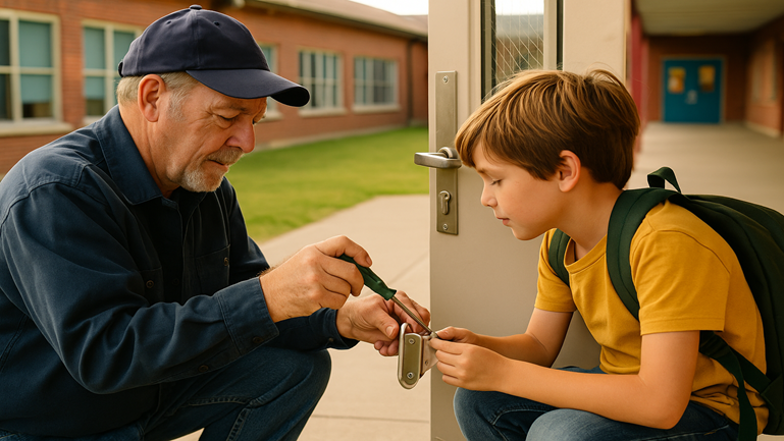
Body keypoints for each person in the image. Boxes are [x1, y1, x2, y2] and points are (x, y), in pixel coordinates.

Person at [0, 6, 429, 441]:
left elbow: (243, 302)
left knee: (293, 369)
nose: (248, 142)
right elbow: (106, 355)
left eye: (255, 120)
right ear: (152, 98)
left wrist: (338, 319)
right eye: (227, 117)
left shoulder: (202, 184)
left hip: (148, 398)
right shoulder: (56, 190)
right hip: (49, 424)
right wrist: (269, 295)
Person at [428, 69, 767, 440]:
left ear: (565, 171)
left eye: (496, 179)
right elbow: (539, 346)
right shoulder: (560, 242)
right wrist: (480, 350)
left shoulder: (665, 242)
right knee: (478, 399)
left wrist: (504, 373)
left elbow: (660, 403)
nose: (485, 198)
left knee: (560, 434)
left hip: (709, 409)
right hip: (628, 386)